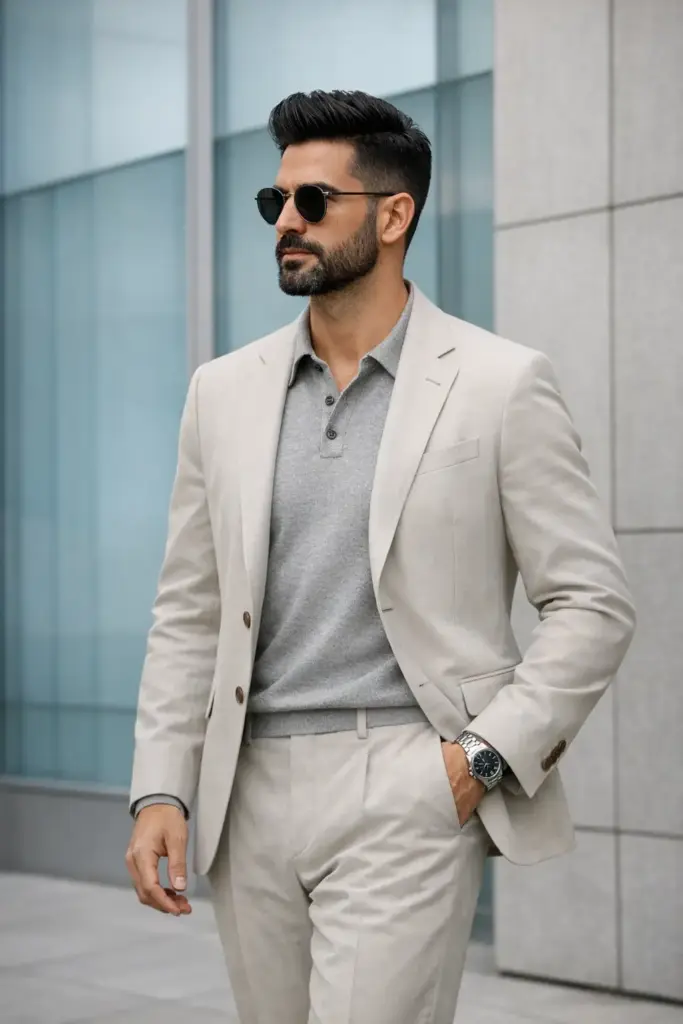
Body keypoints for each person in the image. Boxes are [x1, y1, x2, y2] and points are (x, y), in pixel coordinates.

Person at [126, 90, 636, 1023]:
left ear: (394, 215)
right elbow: (190, 609)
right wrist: (161, 782)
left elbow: (591, 604)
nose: (286, 221)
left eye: (313, 201)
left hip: (405, 774)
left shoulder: (498, 383)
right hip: (247, 793)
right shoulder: (223, 391)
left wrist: (478, 759)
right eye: (273, 203)